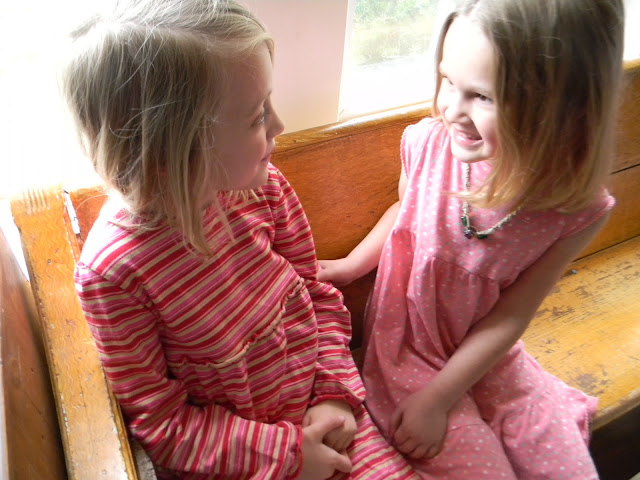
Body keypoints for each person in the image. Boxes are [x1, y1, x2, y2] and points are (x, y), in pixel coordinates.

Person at [62, 1, 422, 479]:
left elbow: (314, 293)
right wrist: (290, 455)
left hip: (326, 418)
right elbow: (163, 422)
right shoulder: (114, 274)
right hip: (240, 465)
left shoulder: (262, 187)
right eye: (256, 117)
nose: (279, 126)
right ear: (170, 151)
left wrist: (335, 396)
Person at [318, 0, 625, 478]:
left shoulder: (574, 207)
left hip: (491, 359)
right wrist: (349, 266)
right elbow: (405, 214)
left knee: (568, 468)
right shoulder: (428, 145)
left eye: (481, 96)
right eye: (447, 80)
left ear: (562, 104)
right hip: (409, 348)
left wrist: (445, 394)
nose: (451, 109)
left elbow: (512, 315)